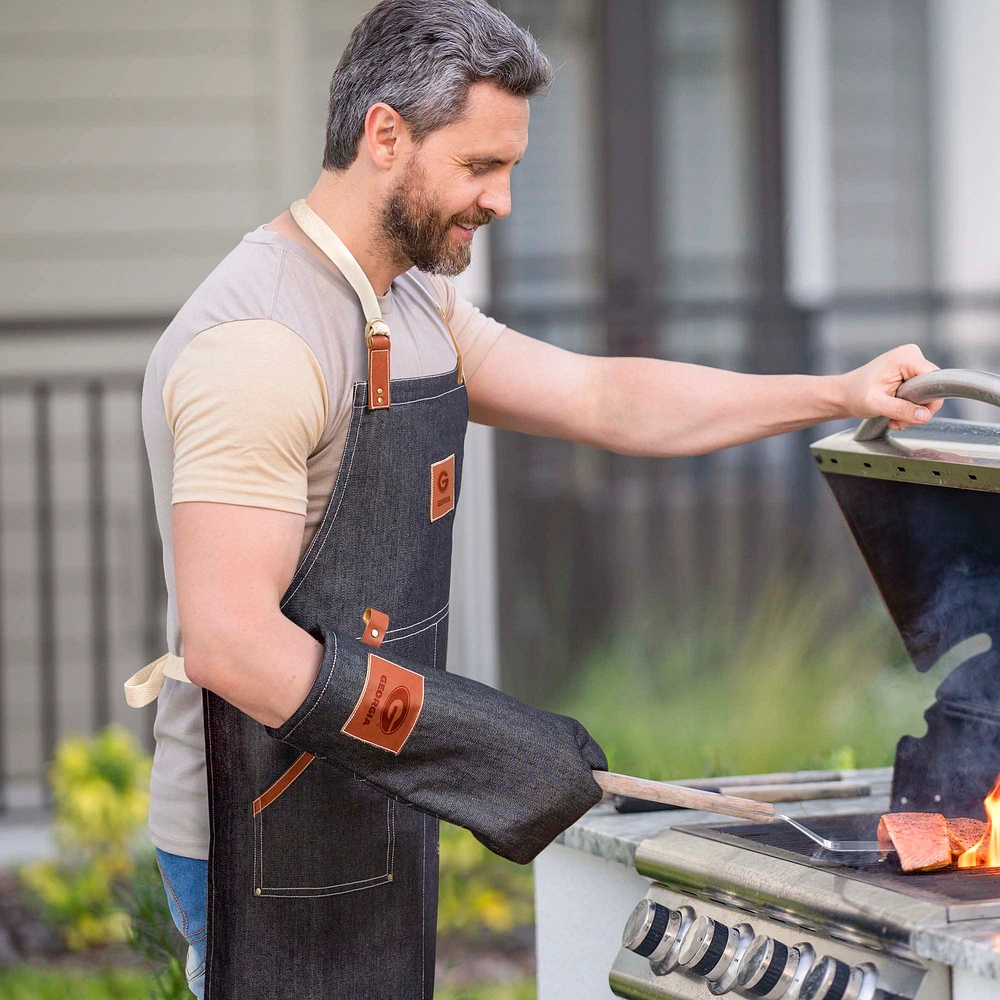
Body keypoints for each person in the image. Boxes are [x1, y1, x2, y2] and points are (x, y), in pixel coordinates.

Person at [128, 1, 941, 997]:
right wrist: (474, 741)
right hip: (257, 824)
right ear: (387, 135)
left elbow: (605, 397)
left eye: (511, 168)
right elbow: (229, 642)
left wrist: (832, 393)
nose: (503, 201)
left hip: (372, 790)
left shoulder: (412, 302)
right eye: (480, 167)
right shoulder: (259, 343)